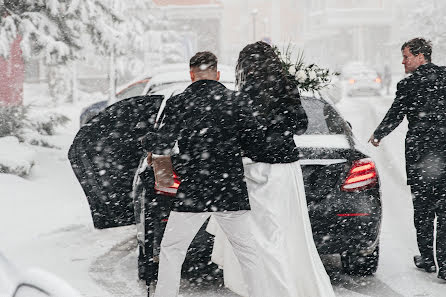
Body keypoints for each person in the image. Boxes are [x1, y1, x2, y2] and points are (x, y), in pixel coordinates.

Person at [142, 51, 280, 297]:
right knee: (247, 252)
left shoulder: (180, 101)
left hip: (194, 189)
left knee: (172, 249)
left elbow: (162, 145)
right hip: (230, 188)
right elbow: (256, 146)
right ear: (216, 74)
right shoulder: (236, 101)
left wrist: (147, 139)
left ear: (191, 75)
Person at [210, 41, 336, 297]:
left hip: (253, 169)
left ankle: (267, 289)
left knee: (258, 239)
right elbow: (300, 124)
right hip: (283, 169)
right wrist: (278, 130)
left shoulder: (243, 93)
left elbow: (239, 132)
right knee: (287, 234)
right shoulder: (286, 85)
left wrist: (255, 137)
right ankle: (286, 287)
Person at [369, 37, 446, 281]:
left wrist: (378, 134)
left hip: (421, 157)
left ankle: (427, 258)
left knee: (423, 210)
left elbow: (396, 114)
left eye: (406, 56)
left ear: (421, 56)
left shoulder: (409, 85)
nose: (403, 62)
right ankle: (445, 264)